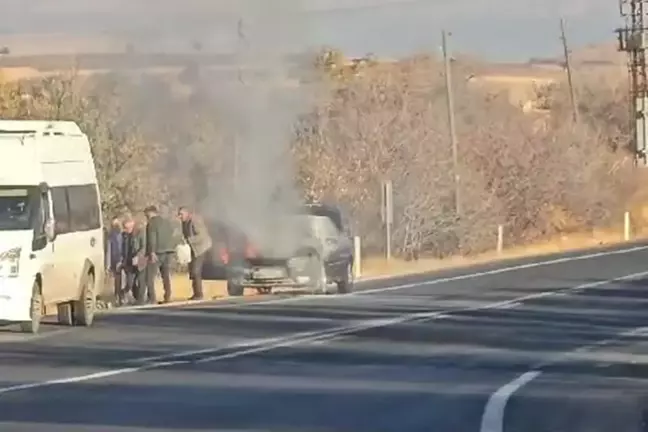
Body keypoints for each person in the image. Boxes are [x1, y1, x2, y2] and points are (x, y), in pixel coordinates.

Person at [178, 206, 212, 300]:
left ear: (187, 213)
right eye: (179, 214)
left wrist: (189, 240)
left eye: (181, 214)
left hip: (201, 248)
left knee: (196, 270)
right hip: (193, 248)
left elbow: (202, 235)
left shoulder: (195, 221)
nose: (179, 216)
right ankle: (196, 293)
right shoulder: (184, 222)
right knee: (192, 270)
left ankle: (199, 294)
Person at [144, 205, 176, 304]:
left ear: (150, 213)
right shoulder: (166, 222)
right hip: (168, 251)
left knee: (149, 276)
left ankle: (152, 298)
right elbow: (173, 234)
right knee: (165, 275)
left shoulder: (152, 223)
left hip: (157, 252)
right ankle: (168, 296)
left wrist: (152, 252)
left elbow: (152, 237)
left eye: (146, 215)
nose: (146, 217)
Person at [122, 216, 147, 305]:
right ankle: (135, 297)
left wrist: (138, 255)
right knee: (130, 282)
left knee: (141, 280)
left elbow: (144, 246)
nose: (126, 229)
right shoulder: (125, 235)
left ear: (132, 225)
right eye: (125, 228)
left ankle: (140, 299)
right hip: (129, 261)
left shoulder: (140, 232)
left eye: (128, 228)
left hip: (140, 260)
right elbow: (124, 249)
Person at [107, 217, 124, 303]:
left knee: (118, 279)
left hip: (116, 258)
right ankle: (118, 297)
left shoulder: (116, 233)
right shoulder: (113, 233)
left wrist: (119, 260)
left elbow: (118, 247)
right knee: (117, 279)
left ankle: (119, 296)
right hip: (114, 258)